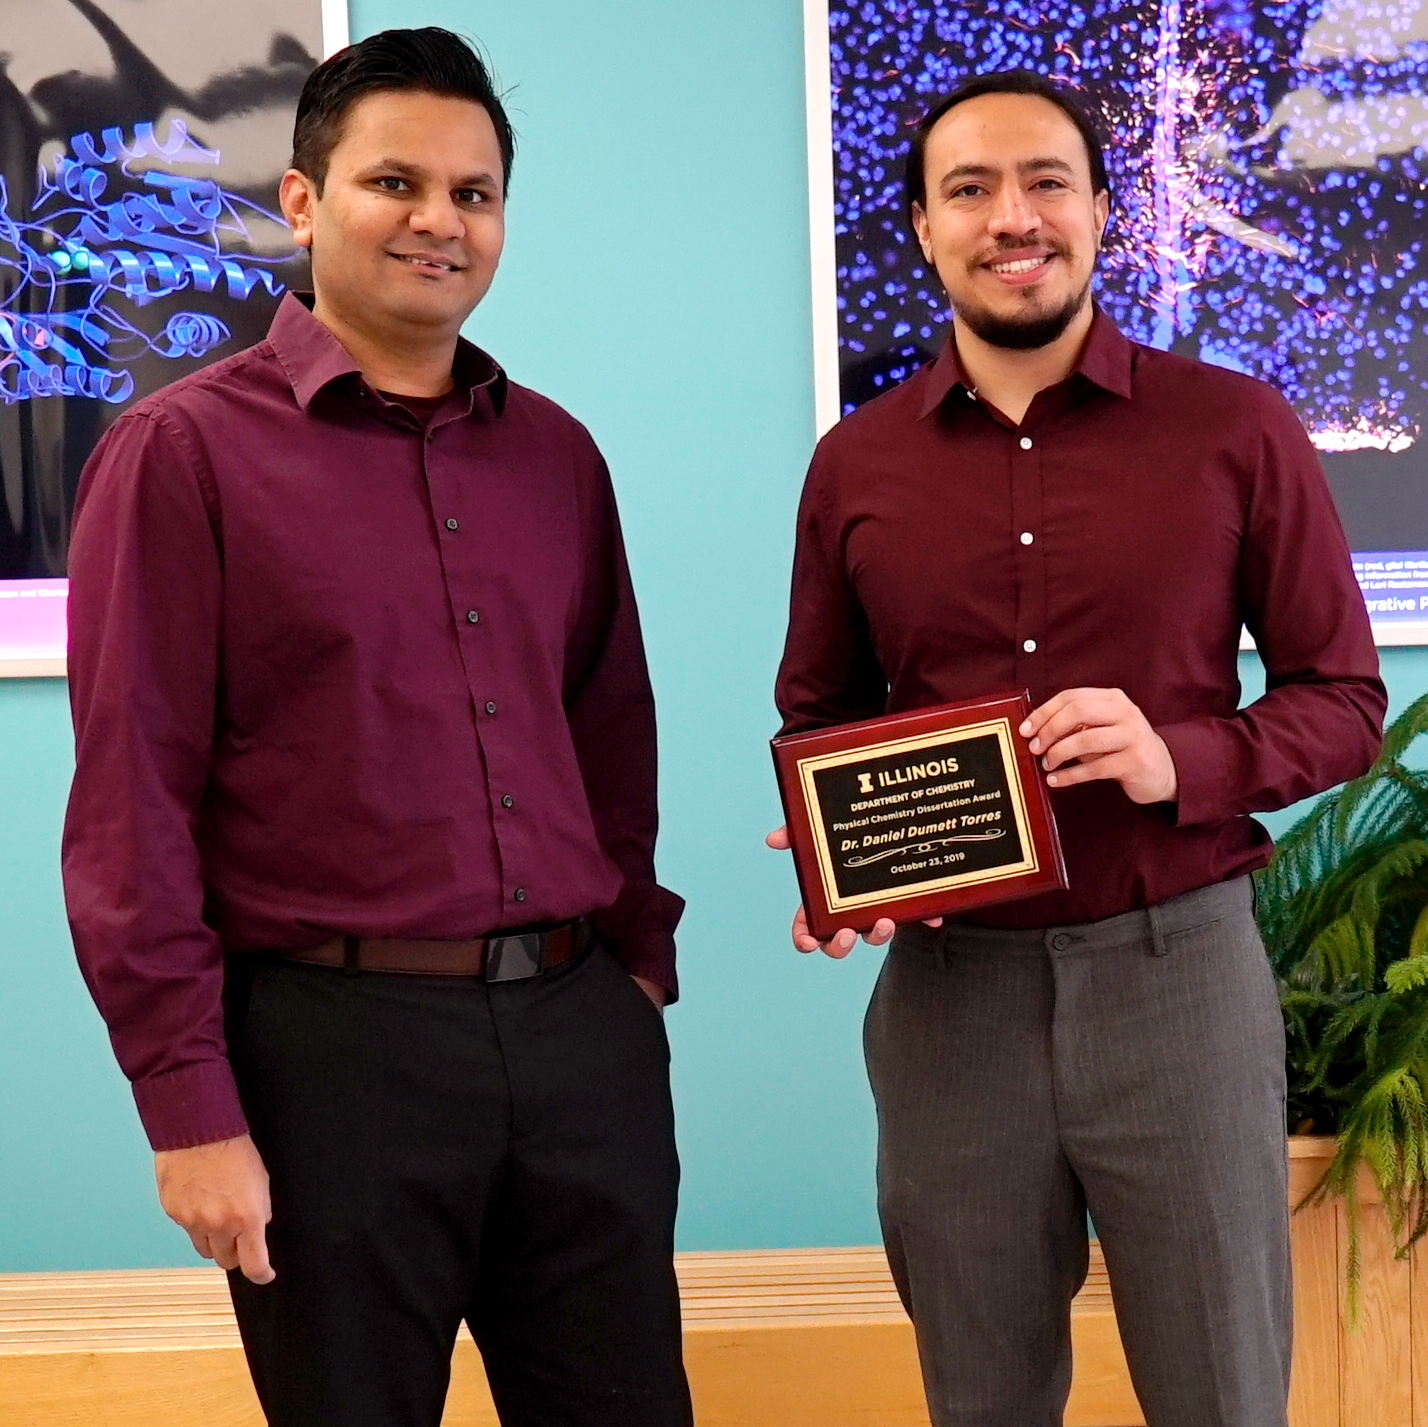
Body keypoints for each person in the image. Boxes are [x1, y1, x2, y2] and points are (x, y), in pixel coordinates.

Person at [62, 27, 691, 1427]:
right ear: (303, 201)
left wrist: (632, 973)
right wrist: (189, 1108)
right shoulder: (182, 455)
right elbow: (130, 810)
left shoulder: (557, 455)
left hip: (579, 1040)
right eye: (394, 182)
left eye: (473, 194)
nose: (437, 221)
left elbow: (610, 734)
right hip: (328, 1059)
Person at [769, 70, 1385, 1427]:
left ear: (1105, 211)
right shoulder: (855, 466)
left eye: (1047, 181)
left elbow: (1344, 696)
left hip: (1181, 976)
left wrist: (1182, 760)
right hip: (951, 1002)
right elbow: (819, 717)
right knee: (980, 1398)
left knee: (1224, 1395)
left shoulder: (1237, 429)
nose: (1013, 216)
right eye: (970, 189)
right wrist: (840, 857)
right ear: (924, 229)